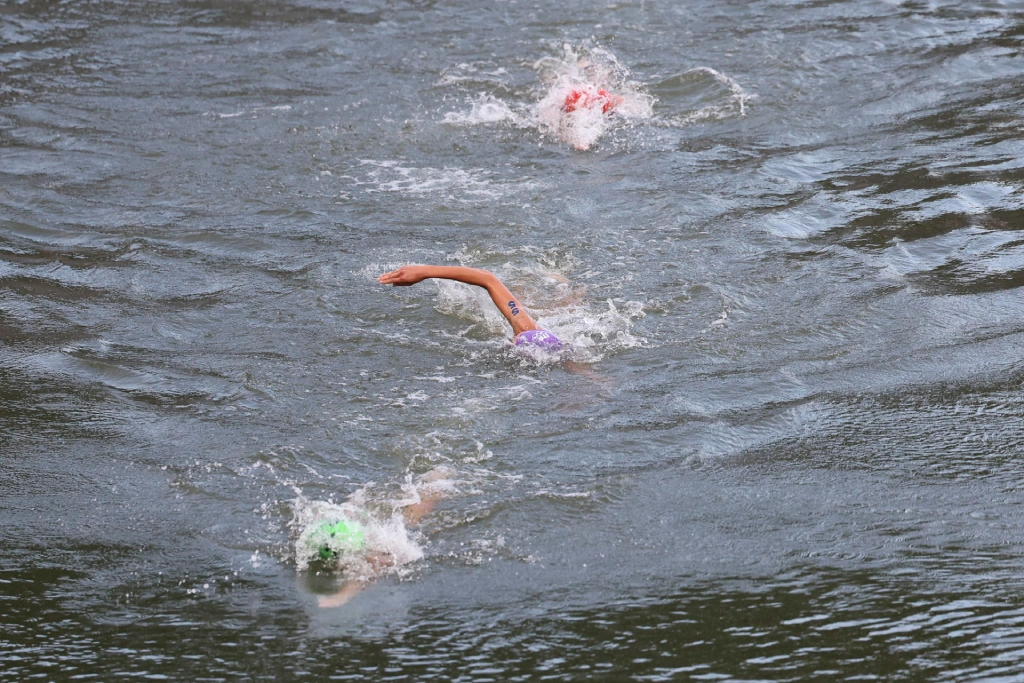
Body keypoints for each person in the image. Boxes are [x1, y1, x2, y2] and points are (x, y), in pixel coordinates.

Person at [378, 265, 564, 351]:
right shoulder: (526, 329)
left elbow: (488, 278)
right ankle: (554, 280)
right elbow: (487, 278)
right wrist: (425, 271)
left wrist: (426, 271)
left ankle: (556, 281)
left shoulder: (525, 329)